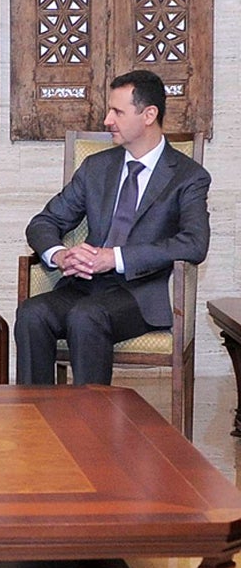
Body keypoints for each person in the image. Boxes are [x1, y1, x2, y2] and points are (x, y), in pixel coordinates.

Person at [15, 70, 211, 385]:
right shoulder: (97, 167)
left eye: (117, 112)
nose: (107, 120)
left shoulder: (187, 177)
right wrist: (61, 255)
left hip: (139, 293)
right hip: (84, 286)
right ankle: (37, 421)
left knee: (86, 316)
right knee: (31, 314)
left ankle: (92, 429)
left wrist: (115, 257)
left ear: (149, 115)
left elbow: (193, 243)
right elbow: (43, 222)